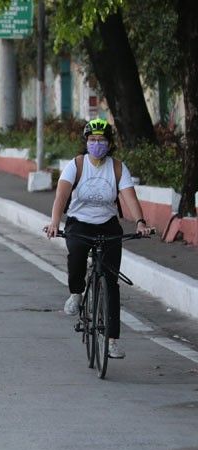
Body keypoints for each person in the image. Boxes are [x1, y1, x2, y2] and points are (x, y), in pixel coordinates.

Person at [45, 118, 153, 359]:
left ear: (110, 143)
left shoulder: (117, 168)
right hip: (79, 223)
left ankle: (112, 340)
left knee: (111, 283)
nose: (96, 144)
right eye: (92, 140)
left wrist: (140, 222)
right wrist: (54, 222)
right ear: (86, 142)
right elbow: (61, 197)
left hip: (107, 225)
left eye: (101, 140)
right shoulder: (77, 165)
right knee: (76, 257)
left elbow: (129, 198)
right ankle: (76, 292)